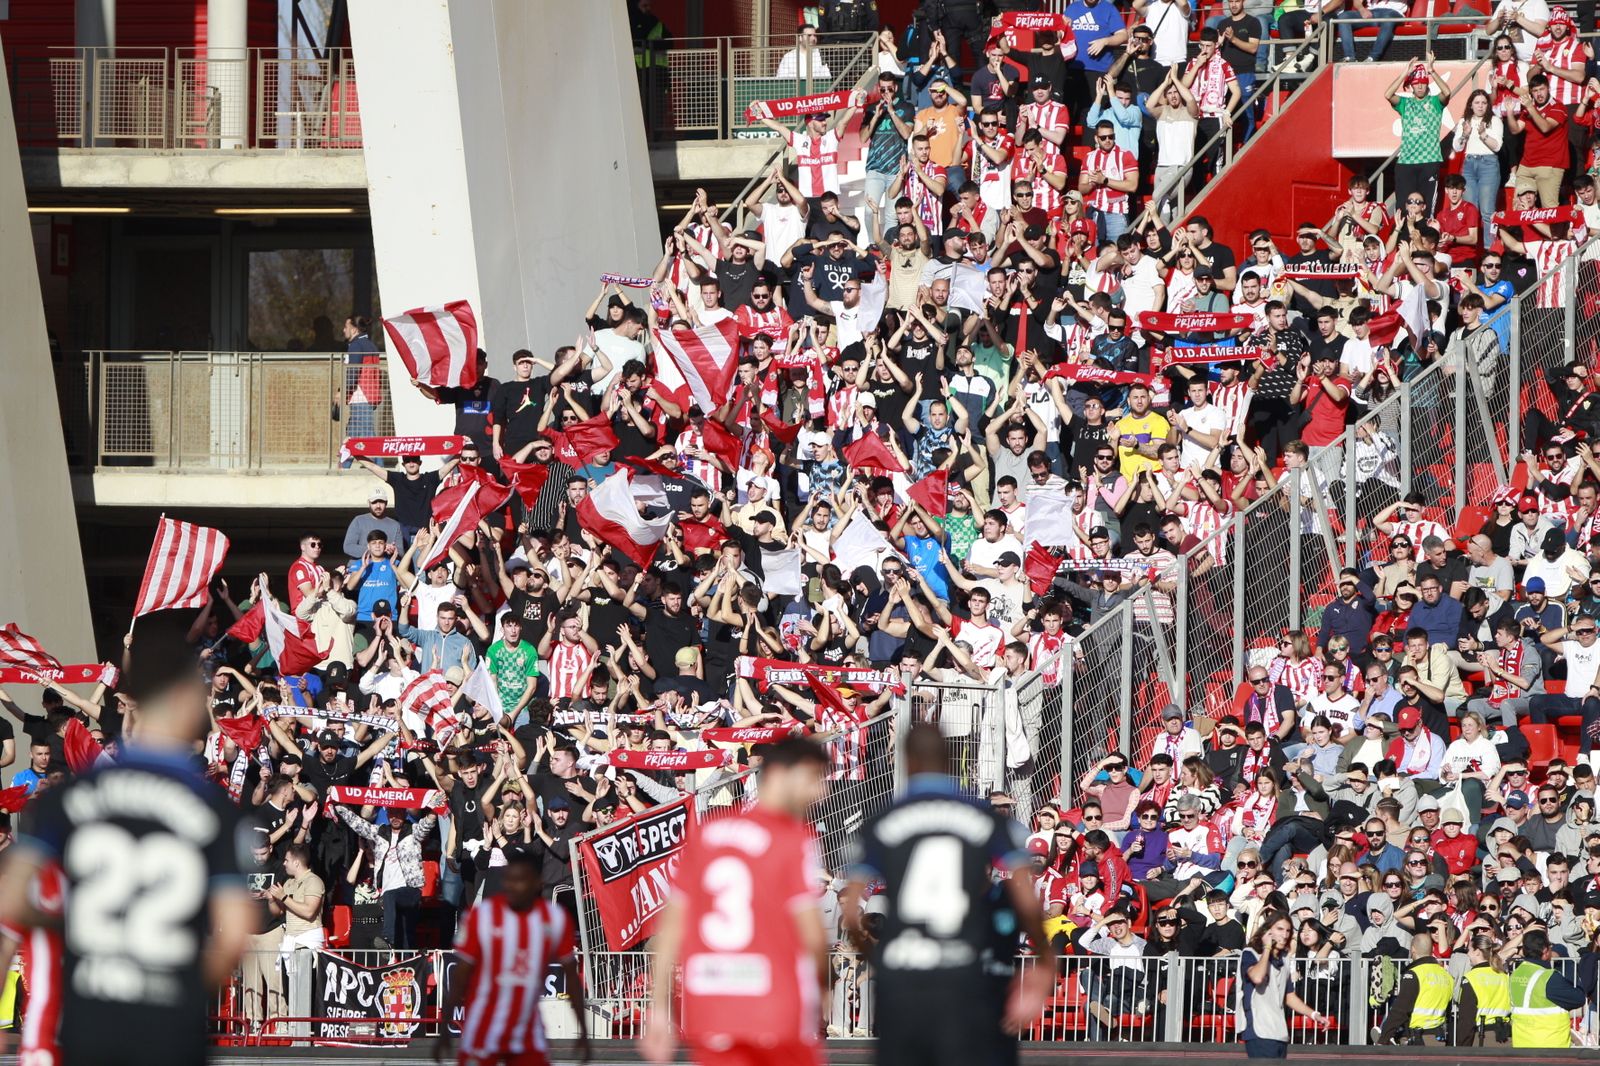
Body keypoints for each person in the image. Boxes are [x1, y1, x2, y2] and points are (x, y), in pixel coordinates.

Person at [0, 630, 255, 1066]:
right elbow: (234, 932)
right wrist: (178, 990)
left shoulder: (68, 800)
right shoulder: (212, 809)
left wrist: (69, 930)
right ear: (183, 698)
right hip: (168, 1033)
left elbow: (11, 903)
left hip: (88, 1023)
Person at [841, 724, 1054, 1066]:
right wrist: (1044, 962)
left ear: (907, 761)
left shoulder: (883, 821)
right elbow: (1024, 894)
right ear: (949, 761)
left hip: (905, 980)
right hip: (964, 976)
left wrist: (879, 959)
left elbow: (851, 911)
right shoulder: (983, 819)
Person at [641, 736, 832, 1066]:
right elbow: (812, 935)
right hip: (774, 1001)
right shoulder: (791, 838)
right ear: (781, 774)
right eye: (813, 779)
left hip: (713, 1003)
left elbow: (671, 928)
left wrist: (658, 1010)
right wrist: (825, 990)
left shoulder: (707, 835)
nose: (820, 793)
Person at [439, 847, 589, 1066]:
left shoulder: (555, 918)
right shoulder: (481, 915)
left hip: (527, 1032)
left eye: (520, 880)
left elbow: (572, 977)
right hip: (483, 1029)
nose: (512, 886)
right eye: (509, 879)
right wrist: (444, 1026)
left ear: (537, 883)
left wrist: (583, 1030)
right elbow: (461, 974)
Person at [1237, 908, 1332, 1058]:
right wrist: (1267, 947)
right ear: (1268, 931)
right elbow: (1257, 977)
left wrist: (1314, 1014)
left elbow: (1289, 996)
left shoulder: (1284, 960)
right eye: (1280, 929)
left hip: (1280, 1032)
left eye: (1288, 930)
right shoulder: (1250, 953)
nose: (1285, 934)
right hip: (1259, 1031)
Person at [1509, 928, 1585, 1047]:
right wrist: (1569, 965)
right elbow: (1578, 998)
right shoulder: (1547, 977)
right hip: (1550, 1045)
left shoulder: (1516, 973)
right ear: (1545, 951)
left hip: (1521, 1044)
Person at [1375, 932, 1454, 1045]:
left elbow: (1400, 1010)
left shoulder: (1414, 974)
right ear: (1431, 950)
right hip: (1439, 1039)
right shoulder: (1446, 975)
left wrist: (1384, 1038)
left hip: (1418, 1040)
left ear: (1412, 949)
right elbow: (1449, 1011)